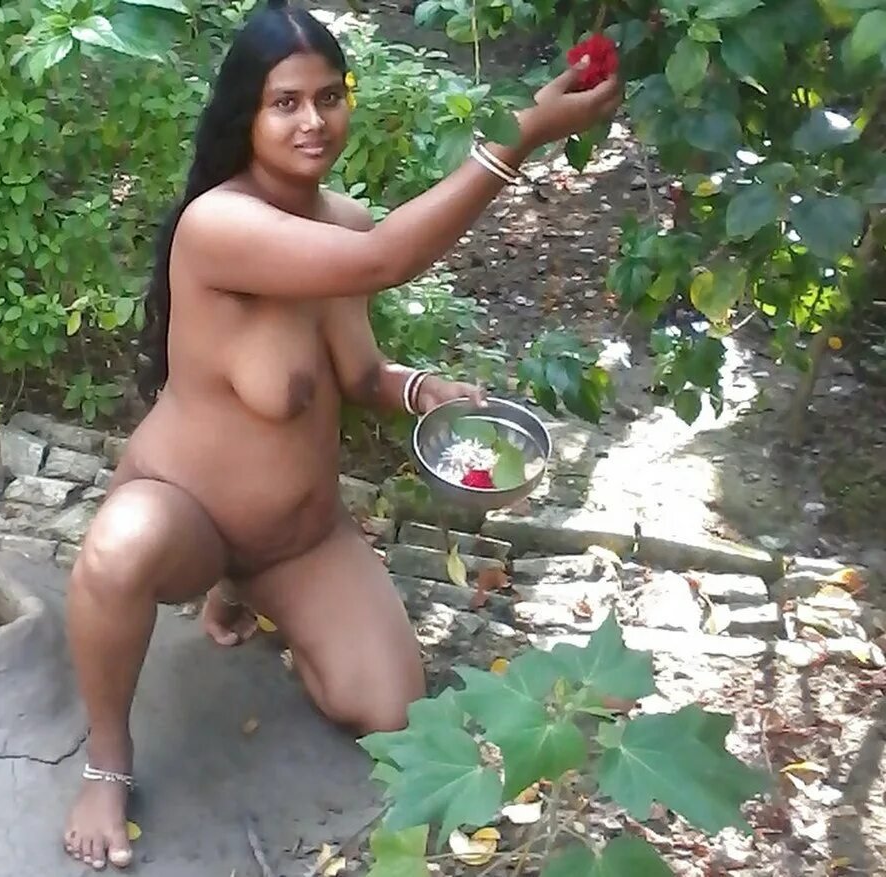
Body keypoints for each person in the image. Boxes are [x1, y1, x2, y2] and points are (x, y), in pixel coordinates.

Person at [62, 0, 623, 868]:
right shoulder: (218, 225)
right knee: (117, 548)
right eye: (285, 102)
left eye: (330, 97)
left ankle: (251, 590)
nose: (313, 121)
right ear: (245, 115)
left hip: (298, 537)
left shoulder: (344, 220)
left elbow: (358, 372)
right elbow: (386, 260)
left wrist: (419, 388)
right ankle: (107, 762)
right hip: (187, 515)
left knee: (391, 709)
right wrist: (521, 135)